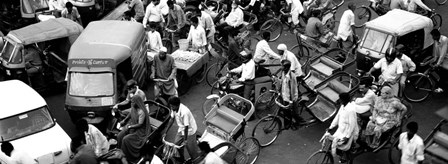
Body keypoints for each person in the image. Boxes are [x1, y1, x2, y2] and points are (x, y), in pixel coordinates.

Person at [117, 95, 152, 163]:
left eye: (133, 102)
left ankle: (127, 156)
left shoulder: (142, 112)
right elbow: (130, 113)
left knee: (126, 139)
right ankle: (119, 150)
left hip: (140, 131)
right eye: (131, 102)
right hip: (132, 126)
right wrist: (124, 120)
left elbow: (140, 124)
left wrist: (130, 127)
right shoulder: (134, 107)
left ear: (137, 102)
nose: (131, 103)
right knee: (119, 135)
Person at [326, 93, 359, 163]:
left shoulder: (351, 110)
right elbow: (337, 117)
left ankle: (346, 157)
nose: (339, 100)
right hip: (341, 129)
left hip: (348, 131)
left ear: (344, 100)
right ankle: (341, 154)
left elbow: (352, 124)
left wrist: (347, 136)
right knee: (334, 140)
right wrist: (331, 127)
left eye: (341, 99)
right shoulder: (342, 106)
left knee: (344, 145)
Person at [279, 60, 306, 126]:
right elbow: (282, 83)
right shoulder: (283, 72)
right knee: (286, 111)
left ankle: (302, 122)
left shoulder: (292, 76)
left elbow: (292, 90)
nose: (281, 67)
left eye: (282, 66)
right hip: (285, 95)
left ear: (286, 68)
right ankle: (288, 124)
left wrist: (291, 101)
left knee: (295, 113)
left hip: (292, 97)